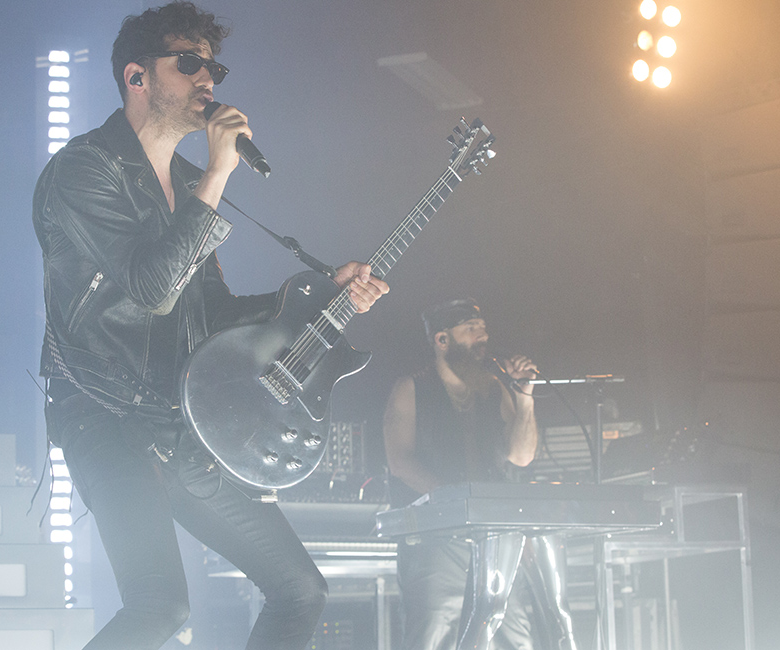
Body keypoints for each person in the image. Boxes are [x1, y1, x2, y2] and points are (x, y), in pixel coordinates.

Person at [32, 3, 388, 649]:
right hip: (105, 416)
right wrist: (220, 172)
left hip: (180, 420)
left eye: (213, 67)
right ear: (137, 76)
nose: (208, 81)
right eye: (189, 63)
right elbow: (151, 291)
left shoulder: (191, 181)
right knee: (159, 608)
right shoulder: (85, 170)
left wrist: (319, 299)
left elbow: (210, 315)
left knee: (300, 590)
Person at [382, 298, 576, 650]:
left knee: (514, 639)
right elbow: (400, 463)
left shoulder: (494, 387)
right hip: (436, 540)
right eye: (471, 329)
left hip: (495, 541)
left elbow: (521, 456)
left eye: (483, 328)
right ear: (442, 340)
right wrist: (457, 504)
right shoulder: (411, 388)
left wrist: (525, 397)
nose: (482, 336)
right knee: (432, 638)